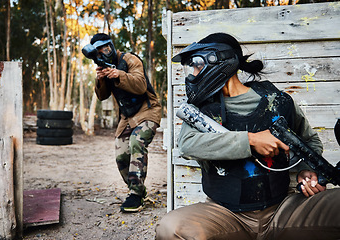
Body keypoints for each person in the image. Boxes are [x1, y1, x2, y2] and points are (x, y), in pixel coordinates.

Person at [156, 33, 340, 239]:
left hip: (284, 210)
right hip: (225, 215)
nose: (193, 74)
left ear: (220, 60)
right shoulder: (202, 112)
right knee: (170, 229)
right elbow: (188, 145)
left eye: (196, 64)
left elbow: (310, 141)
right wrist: (250, 141)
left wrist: (306, 171)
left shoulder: (278, 101)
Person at [91, 33, 162, 213]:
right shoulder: (103, 67)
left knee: (136, 141)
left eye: (106, 48)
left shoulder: (130, 60)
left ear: (112, 46)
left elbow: (140, 85)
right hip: (127, 117)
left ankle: (136, 195)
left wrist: (119, 74)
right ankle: (136, 190)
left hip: (148, 110)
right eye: (99, 52)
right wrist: (100, 79)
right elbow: (102, 96)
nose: (104, 53)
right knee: (121, 154)